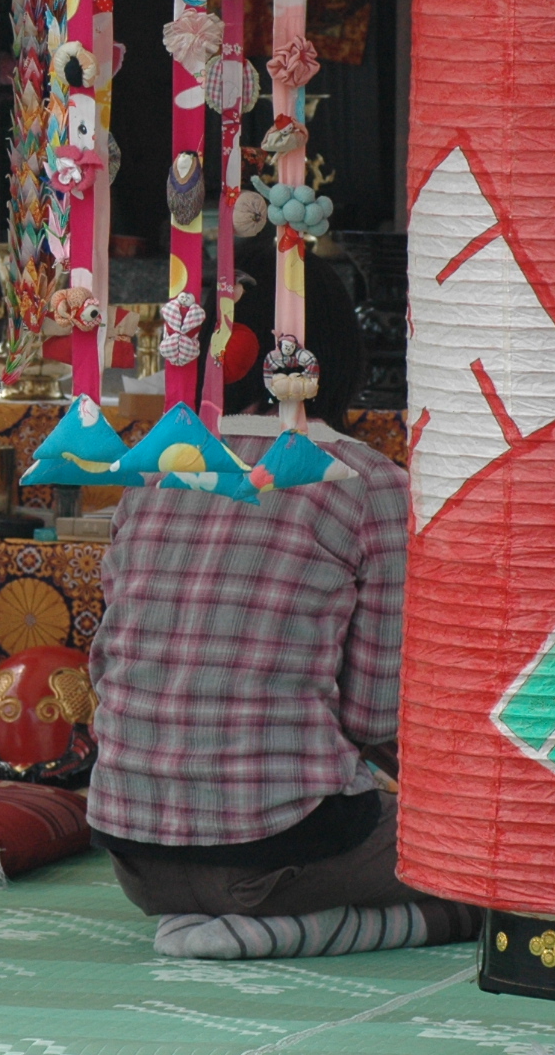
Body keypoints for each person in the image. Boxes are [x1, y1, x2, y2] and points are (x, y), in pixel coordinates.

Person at [87, 246, 480, 960]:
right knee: (482, 864)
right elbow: (374, 716)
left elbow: (105, 666)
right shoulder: (368, 484)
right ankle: (299, 927)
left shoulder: (151, 472)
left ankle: (247, 919)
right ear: (337, 356)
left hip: (134, 856)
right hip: (286, 846)